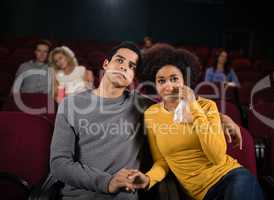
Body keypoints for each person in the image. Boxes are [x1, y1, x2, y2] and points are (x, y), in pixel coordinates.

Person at [49, 42, 243, 200]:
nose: (125, 66)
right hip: (79, 196)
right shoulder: (71, 104)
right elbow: (59, 164)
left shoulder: (143, 105)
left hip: (124, 195)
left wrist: (220, 118)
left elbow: (176, 106)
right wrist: (107, 182)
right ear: (106, 64)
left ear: (134, 77)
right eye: (120, 60)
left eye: (132, 66)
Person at [128, 44, 264, 200]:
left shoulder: (206, 106)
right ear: (155, 85)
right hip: (199, 194)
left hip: (231, 178)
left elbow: (217, 157)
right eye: (161, 80)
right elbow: (162, 161)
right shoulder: (152, 114)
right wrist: (148, 179)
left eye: (174, 79)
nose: (168, 86)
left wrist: (194, 106)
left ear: (185, 81)